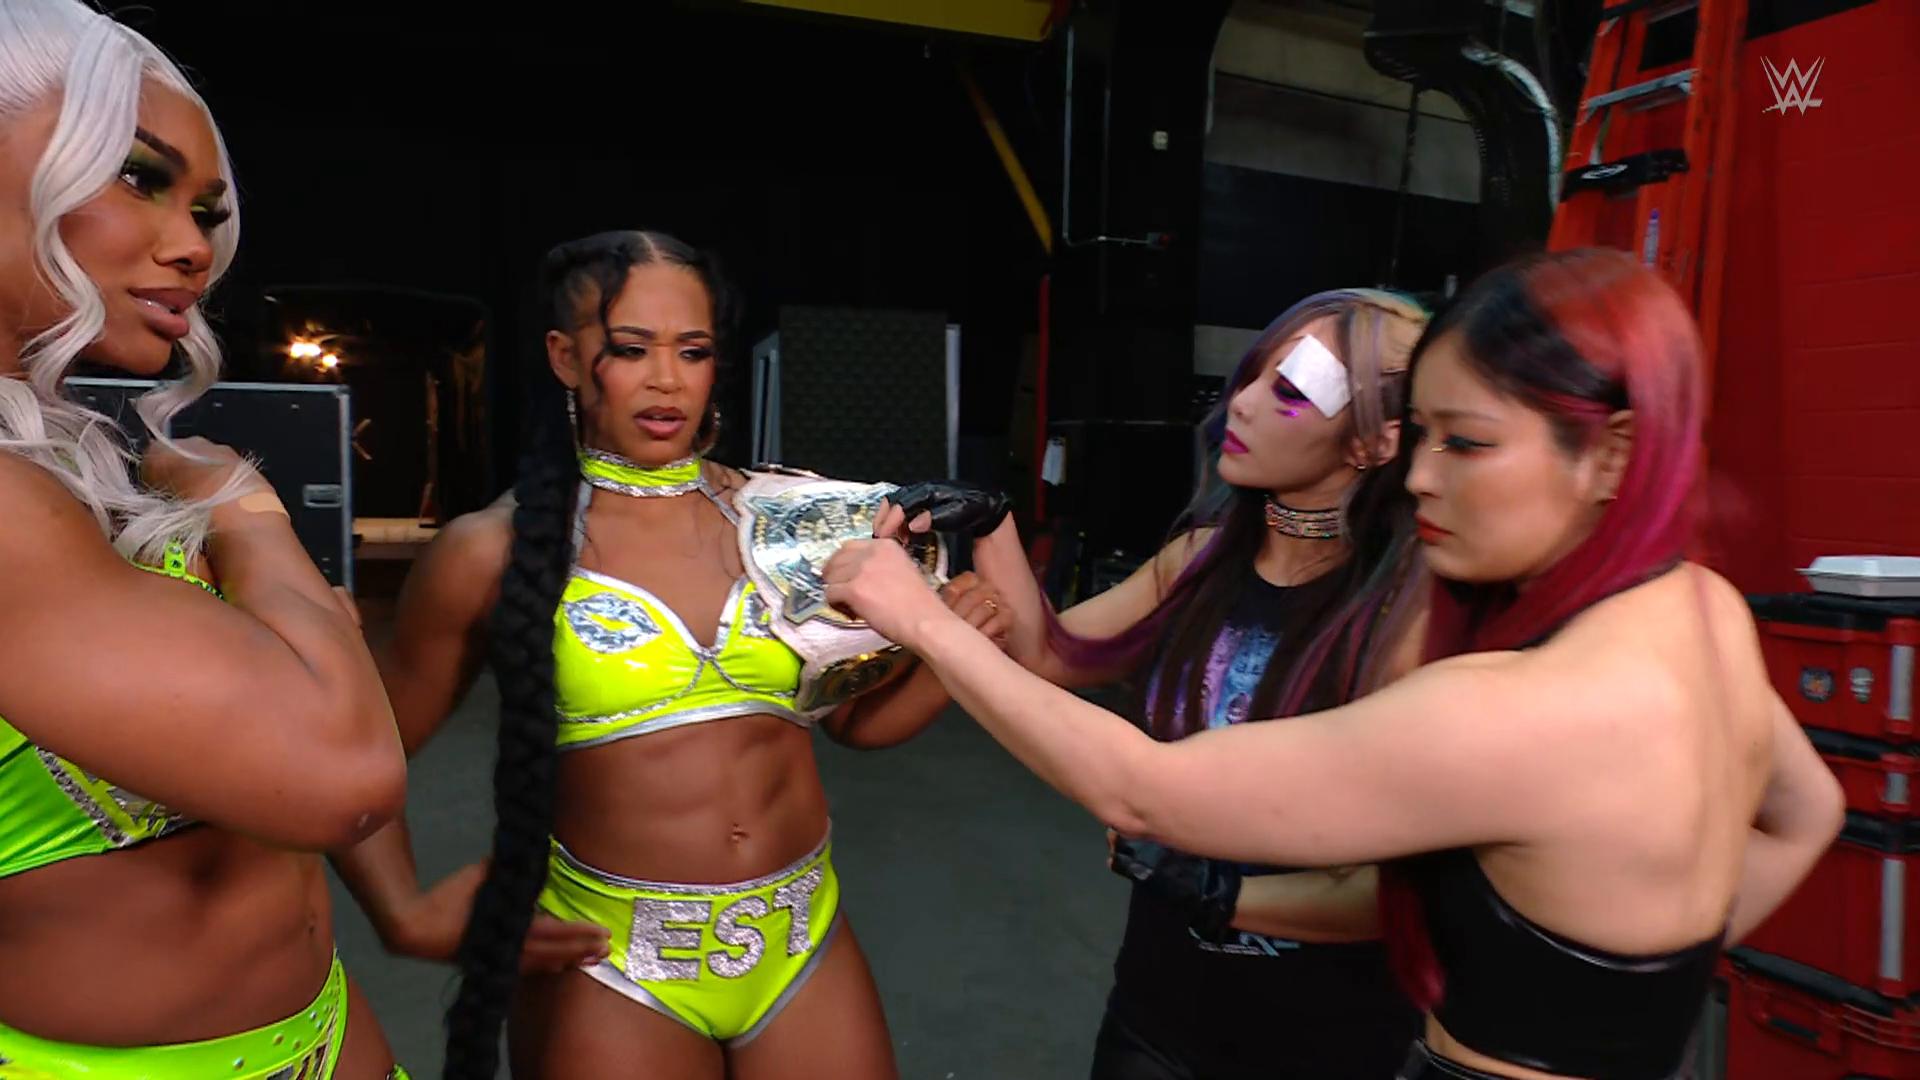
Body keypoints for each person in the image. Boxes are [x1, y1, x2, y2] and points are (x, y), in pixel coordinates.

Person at [826, 248, 1846, 1080]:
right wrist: (1624, 978)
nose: (1425, 474)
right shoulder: (1701, 610)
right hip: (1173, 1006)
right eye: (1426, 436)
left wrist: (923, 621)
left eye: (1466, 443)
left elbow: (1143, 793)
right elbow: (1808, 813)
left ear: (1611, 455)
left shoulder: (1503, 690)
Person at [331, 229, 1013, 1080]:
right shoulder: (488, 551)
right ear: (565, 357)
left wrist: (949, 650)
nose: (666, 380)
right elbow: (355, 762)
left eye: (692, 351)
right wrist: (403, 914)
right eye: (630, 349)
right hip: (611, 961)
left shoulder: (789, 520)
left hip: (802, 939)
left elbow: (853, 725)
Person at [0, 2, 412, 1077]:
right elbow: (344, 769)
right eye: (139, 177)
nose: (193, 248)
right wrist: (244, 507)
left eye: (206, 211)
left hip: (323, 1024)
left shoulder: (66, 458)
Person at [935, 290, 1431, 1079]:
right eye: (1252, 375)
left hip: (1329, 1042)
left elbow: (1407, 894)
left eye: (1289, 391)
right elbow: (1049, 655)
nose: (1241, 403)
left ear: (1376, 442)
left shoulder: (1410, 614)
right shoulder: (1198, 560)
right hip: (1157, 1016)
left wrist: (1218, 893)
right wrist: (990, 524)